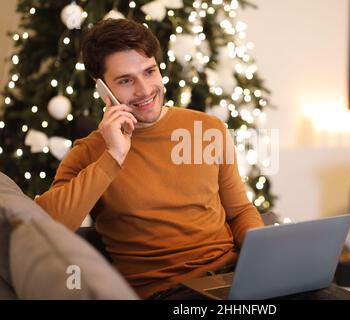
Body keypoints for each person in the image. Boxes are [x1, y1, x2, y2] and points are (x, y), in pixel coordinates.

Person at [35, 18, 264, 299]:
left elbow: (239, 211)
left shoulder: (207, 129)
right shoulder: (89, 153)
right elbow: (47, 229)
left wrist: (262, 257)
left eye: (149, 71)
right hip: (169, 292)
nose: (144, 90)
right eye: (126, 80)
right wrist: (114, 156)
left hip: (236, 276)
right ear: (103, 90)